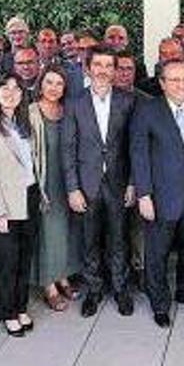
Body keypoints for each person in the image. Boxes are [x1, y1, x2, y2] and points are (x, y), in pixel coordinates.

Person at [62, 46, 137, 318]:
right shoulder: (74, 102)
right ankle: (94, 289)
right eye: (98, 65)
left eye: (109, 65)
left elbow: (134, 147)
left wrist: (132, 182)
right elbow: (68, 148)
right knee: (89, 240)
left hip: (119, 182)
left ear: (115, 70)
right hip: (86, 183)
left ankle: (120, 288)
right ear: (88, 68)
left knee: (119, 239)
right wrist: (72, 188)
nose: (103, 71)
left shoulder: (128, 101)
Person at [130, 60, 184, 328]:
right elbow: (138, 154)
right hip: (160, 196)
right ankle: (160, 303)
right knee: (157, 253)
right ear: (162, 83)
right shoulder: (147, 110)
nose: (181, 85)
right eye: (174, 80)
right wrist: (144, 194)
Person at [0, 74, 40, 336]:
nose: (10, 92)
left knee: (25, 258)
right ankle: (8, 312)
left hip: (30, 197)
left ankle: (21, 307)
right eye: (5, 87)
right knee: (7, 261)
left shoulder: (25, 124)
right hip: (4, 205)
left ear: (23, 94)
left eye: (16, 88)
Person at [29, 67, 79, 311]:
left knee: (65, 231)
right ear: (41, 84)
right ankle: (49, 284)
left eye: (59, 83)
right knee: (48, 233)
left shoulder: (67, 110)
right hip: (44, 181)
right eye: (49, 82)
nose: (54, 88)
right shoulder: (30, 111)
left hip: (67, 179)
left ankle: (63, 276)